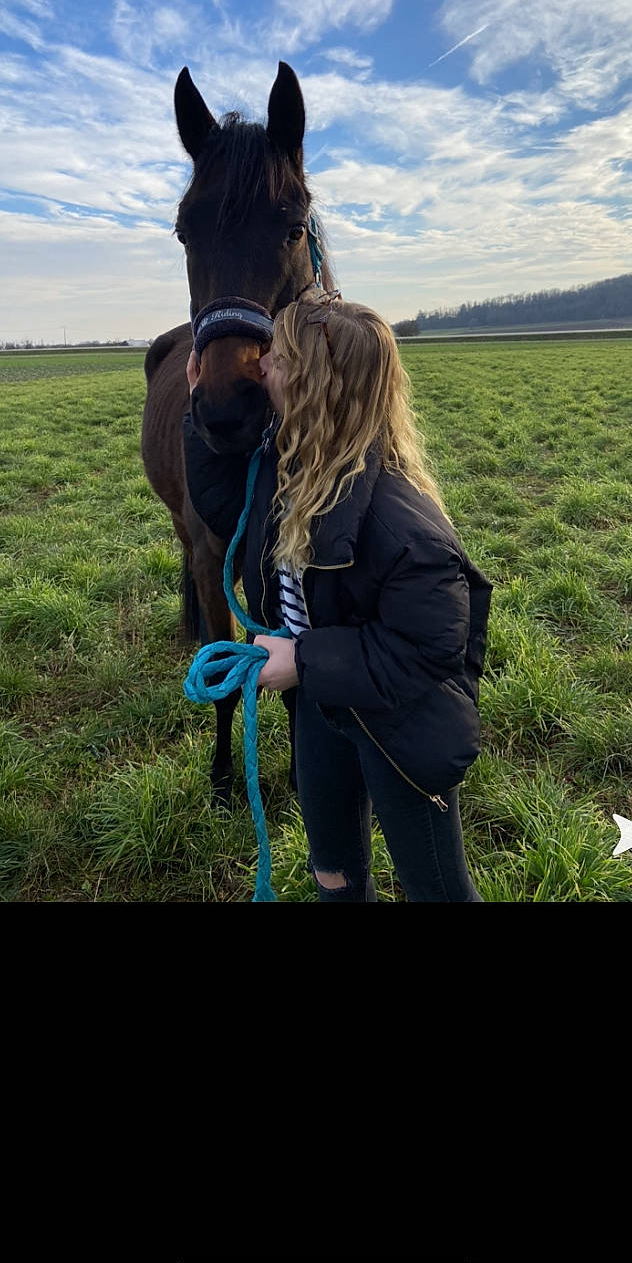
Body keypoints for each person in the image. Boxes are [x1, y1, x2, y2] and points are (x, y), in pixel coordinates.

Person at [183, 290, 492, 903]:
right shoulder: (292, 465)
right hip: (324, 706)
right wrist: (199, 403)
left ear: (314, 388)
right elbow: (224, 508)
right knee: (332, 870)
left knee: (435, 886)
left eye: (278, 357)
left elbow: (426, 651)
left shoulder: (404, 528)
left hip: (400, 725)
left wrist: (301, 660)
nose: (260, 365)